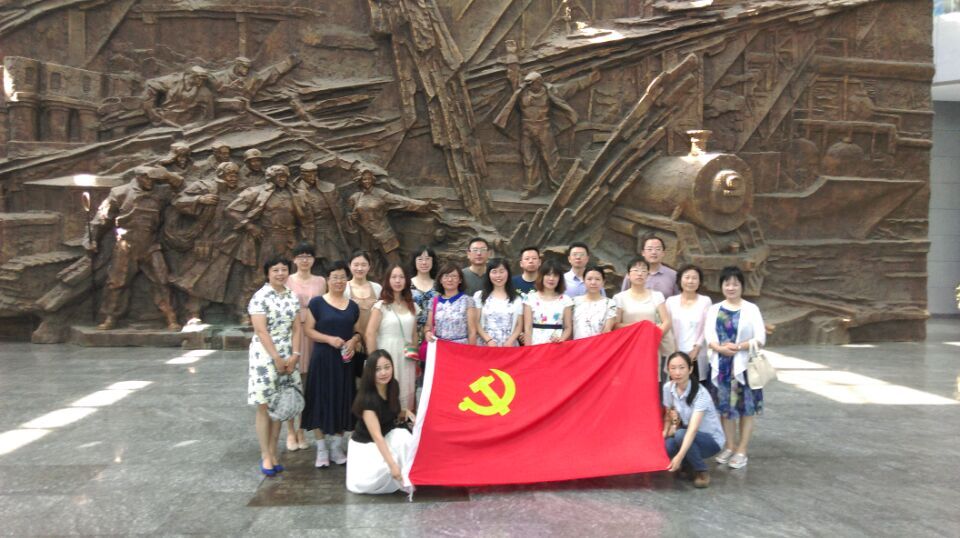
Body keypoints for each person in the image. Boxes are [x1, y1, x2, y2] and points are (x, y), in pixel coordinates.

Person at [704, 266, 766, 470]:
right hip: (721, 365)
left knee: (746, 409)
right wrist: (720, 348)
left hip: (744, 366)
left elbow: (760, 338)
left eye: (735, 284)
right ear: (721, 286)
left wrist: (739, 347)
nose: (731, 288)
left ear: (742, 286)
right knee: (725, 409)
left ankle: (742, 450)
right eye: (727, 283)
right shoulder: (714, 309)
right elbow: (709, 336)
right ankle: (729, 446)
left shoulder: (751, 309)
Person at [301, 261, 362, 468]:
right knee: (320, 399)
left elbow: (358, 331)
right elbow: (308, 330)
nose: (339, 281)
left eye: (342, 277)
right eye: (335, 277)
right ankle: (321, 449)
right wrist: (328, 339)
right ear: (328, 280)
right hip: (322, 359)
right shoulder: (317, 303)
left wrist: (354, 340)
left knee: (343, 399)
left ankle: (336, 446)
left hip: (344, 361)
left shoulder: (352, 306)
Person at [247, 255, 302, 477]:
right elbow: (261, 331)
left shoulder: (292, 295)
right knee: (264, 405)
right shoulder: (260, 297)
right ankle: (265, 454)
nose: (280, 274)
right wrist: (276, 358)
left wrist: (295, 354)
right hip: (265, 356)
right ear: (268, 273)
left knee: (280, 405)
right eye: (275, 270)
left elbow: (297, 328)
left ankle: (274, 451)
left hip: (288, 354)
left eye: (283, 269)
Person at [345, 350, 416, 495]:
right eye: (378, 369)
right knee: (388, 468)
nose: (384, 373)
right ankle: (403, 477)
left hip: (386, 435)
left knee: (405, 438)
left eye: (387, 367)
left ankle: (411, 476)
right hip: (366, 446)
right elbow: (377, 437)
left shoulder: (393, 385)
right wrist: (393, 465)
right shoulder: (367, 400)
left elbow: (390, 411)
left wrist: (406, 412)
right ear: (370, 372)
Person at [284, 242, 326, 452]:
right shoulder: (287, 280)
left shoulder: (321, 281)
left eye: (308, 256)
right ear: (294, 259)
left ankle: (302, 429)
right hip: (292, 334)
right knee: (292, 383)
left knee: (308, 384)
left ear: (313, 259)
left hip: (313, 333)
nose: (304, 260)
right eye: (300, 256)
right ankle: (290, 431)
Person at [663, 351, 725, 488]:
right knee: (667, 445)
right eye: (673, 368)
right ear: (668, 370)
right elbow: (668, 414)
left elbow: (692, 430)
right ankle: (688, 463)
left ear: (690, 369)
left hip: (711, 441)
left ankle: (701, 471)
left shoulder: (700, 394)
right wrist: (664, 433)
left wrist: (678, 457)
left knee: (680, 435)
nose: (677, 372)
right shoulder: (668, 388)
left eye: (682, 367)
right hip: (686, 433)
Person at [365, 265, 419, 410]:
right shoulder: (381, 305)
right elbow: (370, 333)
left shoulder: (412, 305)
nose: (397, 281)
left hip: (407, 356)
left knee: (406, 388)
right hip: (387, 353)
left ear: (406, 280)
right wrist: (374, 360)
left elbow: (414, 334)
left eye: (401, 277)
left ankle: (404, 417)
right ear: (388, 280)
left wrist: (414, 355)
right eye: (394, 277)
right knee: (387, 388)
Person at [614, 258, 672, 374]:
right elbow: (615, 325)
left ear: (648, 275)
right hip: (629, 346)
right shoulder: (619, 298)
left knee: (651, 376)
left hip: (651, 345)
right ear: (628, 275)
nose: (640, 274)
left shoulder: (657, 296)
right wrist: (640, 328)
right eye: (635, 270)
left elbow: (666, 321)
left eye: (644, 270)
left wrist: (654, 336)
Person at [665, 265, 712, 383]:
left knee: (697, 387)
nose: (690, 281)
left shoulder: (705, 301)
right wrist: (676, 350)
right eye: (687, 277)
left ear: (699, 281)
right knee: (676, 388)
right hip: (676, 352)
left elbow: (707, 327)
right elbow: (668, 327)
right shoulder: (671, 302)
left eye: (694, 278)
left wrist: (697, 348)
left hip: (697, 353)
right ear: (680, 280)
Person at [344, 251, 383, 378]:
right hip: (353, 343)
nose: (360, 268)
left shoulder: (377, 288)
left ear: (369, 266)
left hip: (375, 340)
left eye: (363, 265)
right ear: (349, 265)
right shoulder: (344, 288)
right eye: (356, 265)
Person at [470, 258, 523, 347]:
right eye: (494, 272)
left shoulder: (517, 299)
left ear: (508, 273)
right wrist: (488, 340)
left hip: (509, 346)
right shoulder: (479, 296)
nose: (498, 275)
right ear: (488, 274)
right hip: (486, 344)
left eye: (502, 271)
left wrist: (510, 341)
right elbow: (476, 322)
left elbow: (519, 325)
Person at [523, 260, 573, 345]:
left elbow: (568, 327)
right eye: (548, 274)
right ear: (542, 276)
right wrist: (528, 349)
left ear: (560, 279)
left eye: (555, 275)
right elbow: (528, 328)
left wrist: (561, 339)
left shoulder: (566, 300)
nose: (551, 279)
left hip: (556, 346)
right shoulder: (530, 298)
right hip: (536, 345)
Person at [425, 263, 475, 345]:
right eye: (446, 276)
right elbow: (428, 326)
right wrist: (427, 332)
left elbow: (472, 331)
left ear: (460, 280)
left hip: (461, 347)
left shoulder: (468, 301)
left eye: (454, 276)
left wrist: (471, 350)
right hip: (440, 346)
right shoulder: (434, 301)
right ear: (440, 280)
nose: (450, 279)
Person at [572, 265, 616, 339]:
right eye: (589, 279)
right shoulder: (574, 302)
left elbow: (607, 330)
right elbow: (569, 328)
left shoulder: (610, 303)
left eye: (597, 279)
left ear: (603, 282)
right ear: (584, 281)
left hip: (599, 344)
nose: (593, 282)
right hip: (577, 344)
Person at [409, 245, 438, 340]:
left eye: (427, 259)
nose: (424, 262)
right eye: (420, 259)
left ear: (433, 261)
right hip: (412, 333)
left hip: (434, 334)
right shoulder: (407, 284)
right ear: (414, 262)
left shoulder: (439, 286)